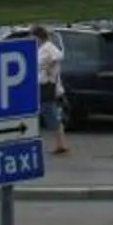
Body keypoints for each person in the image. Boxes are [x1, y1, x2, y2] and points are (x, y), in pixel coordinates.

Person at [38, 26, 69, 155]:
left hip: (48, 86)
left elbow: (58, 56)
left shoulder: (48, 47)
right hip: (44, 85)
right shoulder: (41, 48)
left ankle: (60, 144)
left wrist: (47, 67)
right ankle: (61, 143)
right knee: (52, 114)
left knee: (50, 114)